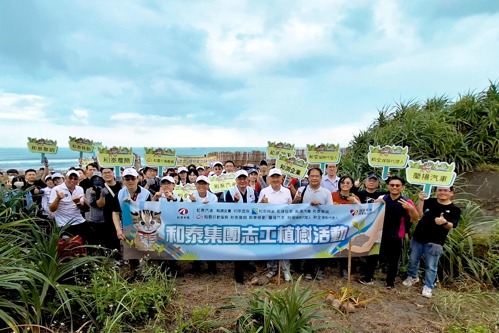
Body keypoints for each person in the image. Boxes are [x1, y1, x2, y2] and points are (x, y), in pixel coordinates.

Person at [402, 187, 461, 298]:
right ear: (436, 192)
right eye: (440, 190)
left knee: (431, 266)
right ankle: (412, 277)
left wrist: (444, 222)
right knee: (413, 260)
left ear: (452, 193)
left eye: (446, 190)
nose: (442, 192)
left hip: (436, 242)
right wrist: (421, 200)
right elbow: (419, 215)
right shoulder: (429, 201)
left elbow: (451, 225)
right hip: (418, 237)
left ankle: (428, 286)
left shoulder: (454, 209)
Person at [362, 176, 419, 289]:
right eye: (392, 185)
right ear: (388, 186)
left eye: (397, 185)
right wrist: (375, 203)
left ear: (402, 187)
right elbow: (371, 213)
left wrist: (411, 209)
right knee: (372, 256)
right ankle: (368, 278)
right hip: (379, 233)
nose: (394, 187)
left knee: (393, 260)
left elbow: (415, 218)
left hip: (396, 235)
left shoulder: (406, 201)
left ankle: (390, 282)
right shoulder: (382, 197)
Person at [292, 167, 334, 280]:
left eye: (317, 176)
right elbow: (292, 208)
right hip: (304, 225)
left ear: (321, 178)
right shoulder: (301, 190)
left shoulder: (326, 192)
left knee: (320, 248)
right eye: (312, 176)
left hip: (321, 225)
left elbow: (331, 210)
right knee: (306, 248)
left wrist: (319, 205)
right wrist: (296, 200)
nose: (314, 178)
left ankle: (320, 270)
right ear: (308, 177)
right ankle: (307, 271)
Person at [258, 168, 293, 282]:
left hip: (284, 224)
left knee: (285, 248)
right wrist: (263, 203)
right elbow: (257, 209)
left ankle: (285, 270)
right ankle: (272, 269)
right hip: (270, 224)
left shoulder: (287, 191)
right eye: (273, 177)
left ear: (281, 178)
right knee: (271, 247)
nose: (275, 179)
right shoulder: (264, 191)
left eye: (277, 177)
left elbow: (290, 208)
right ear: (269, 178)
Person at [225, 169, 258, 283]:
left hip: (250, 224)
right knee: (239, 249)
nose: (242, 181)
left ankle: (246, 264)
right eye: (240, 178)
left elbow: (257, 209)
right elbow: (226, 210)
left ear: (248, 179)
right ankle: (238, 276)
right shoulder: (230, 192)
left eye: (244, 178)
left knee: (249, 247)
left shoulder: (253, 192)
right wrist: (234, 201)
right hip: (236, 224)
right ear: (236, 180)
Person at [186, 175, 218, 274]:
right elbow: (188, 212)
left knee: (210, 246)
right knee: (196, 245)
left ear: (208, 185)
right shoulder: (190, 196)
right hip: (195, 225)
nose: (201, 186)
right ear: (195, 185)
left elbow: (215, 212)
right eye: (199, 183)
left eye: (204, 184)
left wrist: (208, 207)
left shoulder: (213, 197)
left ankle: (212, 267)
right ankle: (196, 266)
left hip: (209, 225)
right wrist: (194, 203)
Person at [331, 175, 361, 278]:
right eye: (343, 182)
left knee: (345, 248)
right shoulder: (332, 195)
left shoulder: (354, 198)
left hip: (347, 228)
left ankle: (344, 269)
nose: (345, 185)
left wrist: (355, 202)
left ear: (352, 185)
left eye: (348, 183)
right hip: (332, 226)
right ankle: (322, 268)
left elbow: (362, 212)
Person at [48, 170, 90, 242]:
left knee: (85, 243)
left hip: (79, 221)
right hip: (64, 224)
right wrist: (58, 199)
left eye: (75, 178)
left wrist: (77, 202)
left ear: (78, 180)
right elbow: (52, 209)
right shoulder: (56, 189)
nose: (72, 180)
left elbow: (81, 207)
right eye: (70, 178)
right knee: (69, 247)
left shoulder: (80, 189)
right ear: (65, 178)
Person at [94, 167, 123, 254]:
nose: (107, 174)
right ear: (102, 175)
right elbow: (99, 205)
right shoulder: (99, 188)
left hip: (122, 215)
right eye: (104, 173)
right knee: (112, 239)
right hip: (108, 216)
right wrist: (102, 195)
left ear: (113, 173)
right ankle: (116, 259)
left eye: (109, 172)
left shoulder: (120, 185)